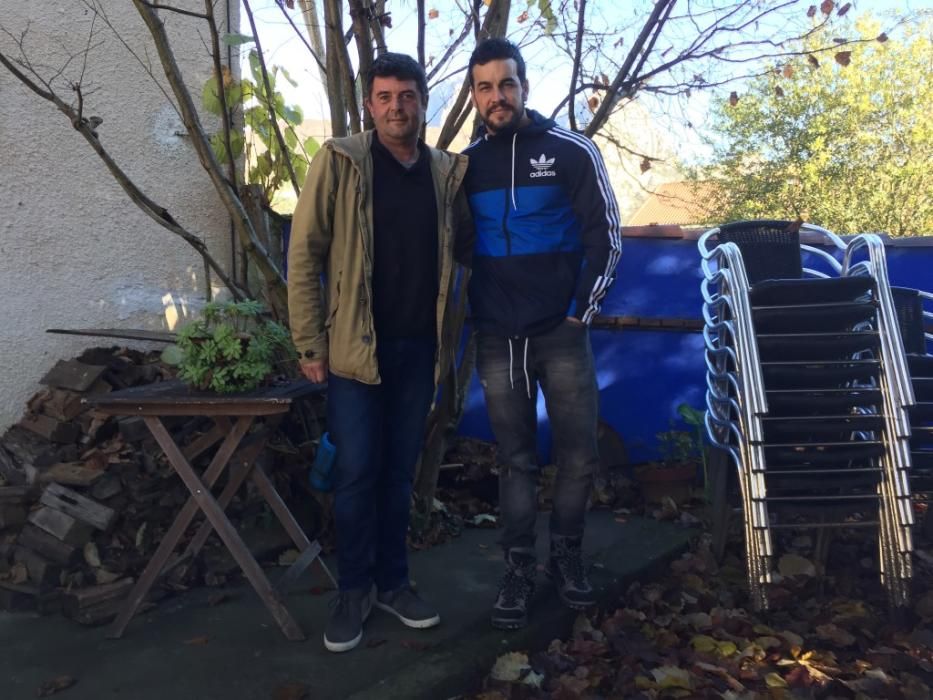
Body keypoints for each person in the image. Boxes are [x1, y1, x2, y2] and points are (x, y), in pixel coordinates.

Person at [287, 52, 473, 652]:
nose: (398, 107)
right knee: (357, 473)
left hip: (418, 349)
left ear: (423, 101)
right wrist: (309, 341)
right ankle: (352, 591)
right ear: (369, 104)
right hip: (353, 353)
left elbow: (467, 250)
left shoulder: (445, 173)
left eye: (408, 96)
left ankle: (393, 584)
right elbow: (304, 253)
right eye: (386, 96)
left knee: (397, 476)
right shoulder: (341, 161)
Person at [463, 38, 622, 629]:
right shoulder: (466, 165)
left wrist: (584, 308)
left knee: (578, 456)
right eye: (485, 87)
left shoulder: (571, 151)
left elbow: (605, 233)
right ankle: (518, 565)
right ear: (475, 95)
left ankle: (569, 556)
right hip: (498, 336)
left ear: (524, 87)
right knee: (515, 460)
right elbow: (453, 245)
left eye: (506, 84)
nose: (496, 97)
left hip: (561, 332)